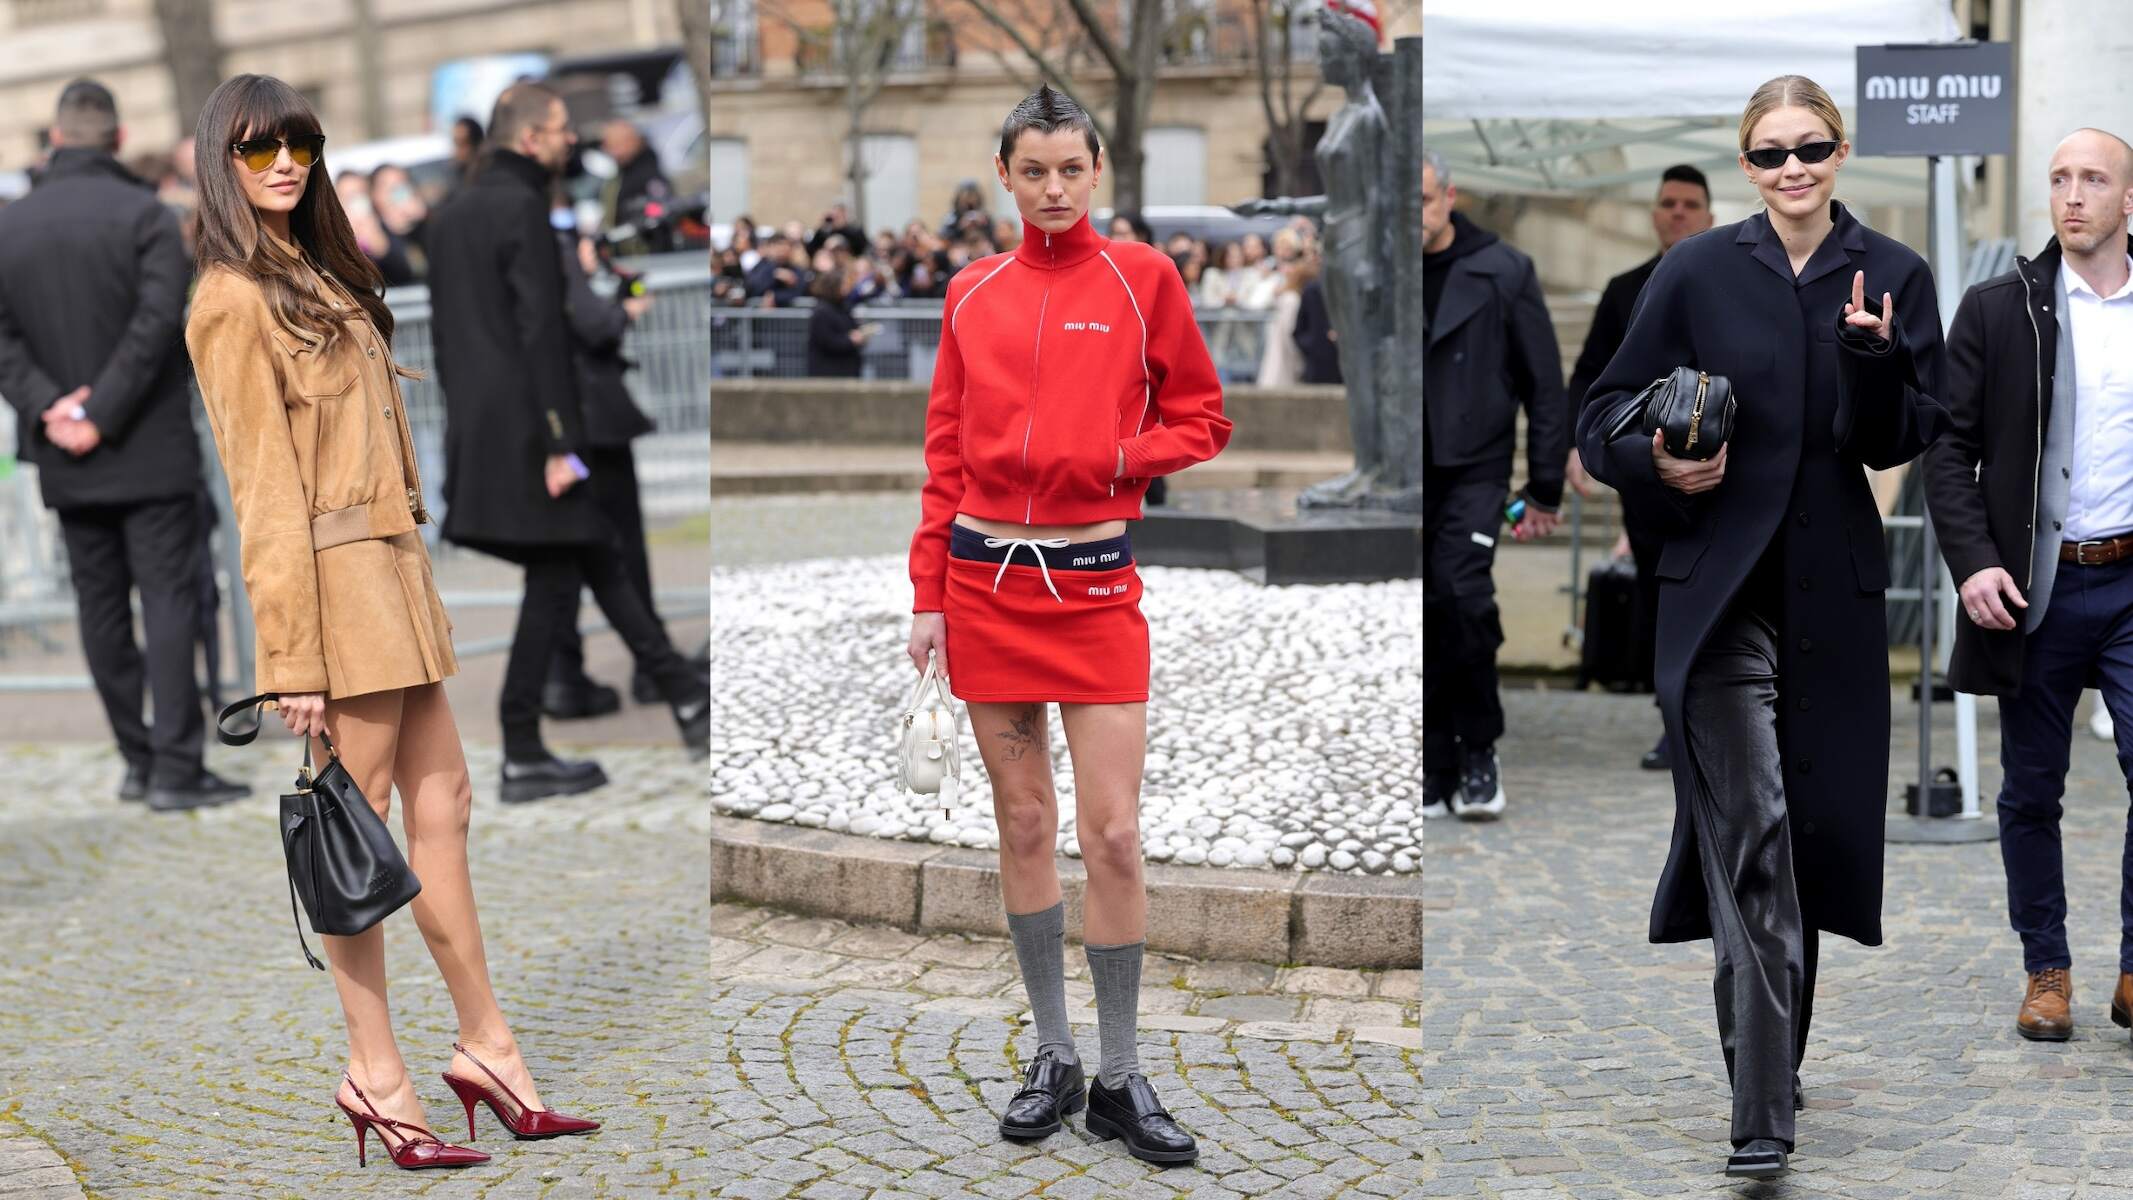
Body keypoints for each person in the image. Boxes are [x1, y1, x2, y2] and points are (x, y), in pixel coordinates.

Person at [184, 71, 599, 1170]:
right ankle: (374, 1073)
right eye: (259, 148)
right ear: (219, 162)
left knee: (445, 804)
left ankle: (488, 1048)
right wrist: (291, 661)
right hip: (331, 590)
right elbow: (262, 494)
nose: (283, 164)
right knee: (354, 833)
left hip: (394, 574)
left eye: (300, 145)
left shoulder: (316, 273)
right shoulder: (230, 298)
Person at [1576, 75, 1947, 1179]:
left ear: (1840, 153)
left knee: (1810, 844)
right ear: (1745, 165)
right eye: (1770, 153)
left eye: (1812, 148)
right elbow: (1600, 420)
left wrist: (1874, 362)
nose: (1792, 168)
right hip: (1715, 598)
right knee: (1759, 834)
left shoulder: (1895, 275)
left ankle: (1768, 1063)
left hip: (1834, 600)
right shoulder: (1695, 270)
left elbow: (1896, 444)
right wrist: (1659, 459)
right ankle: (1761, 1114)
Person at [906, 84, 1229, 1166]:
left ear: (1098, 173)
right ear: (1004, 174)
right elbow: (943, 456)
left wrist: (1118, 457)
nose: (1051, 189)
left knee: (1116, 835)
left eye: (1070, 170)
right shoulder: (970, 292)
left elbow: (1204, 416)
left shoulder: (1144, 280)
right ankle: (1053, 1053)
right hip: (984, 585)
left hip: (1095, 593)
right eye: (1031, 170)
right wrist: (926, 598)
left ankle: (1123, 1076)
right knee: (1027, 827)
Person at [424, 81, 710, 795]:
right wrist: (559, 441)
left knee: (582, 557)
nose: (568, 140)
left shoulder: (452, 214)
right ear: (528, 139)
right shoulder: (521, 207)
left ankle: (676, 697)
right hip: (534, 430)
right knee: (576, 560)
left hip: (485, 429)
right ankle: (536, 741)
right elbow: (539, 333)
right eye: (557, 129)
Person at [1924, 127, 2133, 1049]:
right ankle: (2045, 969)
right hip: (2035, 588)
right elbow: (1945, 452)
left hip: (2130, 582)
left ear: (2128, 198)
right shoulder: (1998, 308)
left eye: (2093, 178)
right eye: (2058, 179)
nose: (2072, 195)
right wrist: (1972, 563)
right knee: (2028, 792)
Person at [0, 78, 246, 812]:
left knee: (100, 607)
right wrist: (99, 410)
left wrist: (54, 408)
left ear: (53, 141)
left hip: (68, 449)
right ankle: (175, 765)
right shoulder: (145, 215)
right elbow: (156, 324)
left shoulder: (10, 225)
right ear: (114, 139)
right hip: (143, 442)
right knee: (168, 603)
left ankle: (139, 761)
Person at [1419, 148, 1566, 821]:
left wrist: (1541, 488)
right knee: (1418, 611)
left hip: (1475, 469)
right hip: (1404, 474)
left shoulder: (1504, 270)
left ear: (1448, 196)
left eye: (1420, 201)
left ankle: (1478, 748)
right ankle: (1432, 758)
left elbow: (1543, 384)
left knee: (1461, 598)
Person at [1566, 164, 1716, 770]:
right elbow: (1590, 378)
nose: (1678, 212)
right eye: (1668, 203)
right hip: (1648, 478)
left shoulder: (1730, 281)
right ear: (1655, 216)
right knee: (1660, 603)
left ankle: (1724, 723)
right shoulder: (1625, 289)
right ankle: (1674, 727)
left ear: (1708, 215)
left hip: (1723, 477)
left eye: (1689, 204)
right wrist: (1580, 447)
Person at [806, 263, 871, 377]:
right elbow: (827, 341)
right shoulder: (822, 311)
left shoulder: (843, 306)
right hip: (829, 372)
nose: (848, 286)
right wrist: (850, 340)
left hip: (846, 368)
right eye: (844, 283)